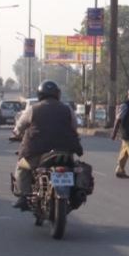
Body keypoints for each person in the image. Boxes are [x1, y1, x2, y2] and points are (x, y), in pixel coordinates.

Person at [11, 80, 83, 210]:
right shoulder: (67, 109)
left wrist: (16, 133)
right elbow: (74, 126)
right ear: (57, 94)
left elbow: (20, 126)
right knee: (75, 169)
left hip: (38, 154)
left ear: (40, 94)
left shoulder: (33, 109)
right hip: (64, 153)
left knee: (21, 166)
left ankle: (23, 196)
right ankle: (76, 193)